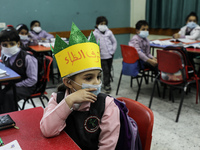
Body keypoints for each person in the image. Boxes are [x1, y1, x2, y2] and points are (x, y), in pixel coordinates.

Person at [40, 23, 121, 150]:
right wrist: (69, 101)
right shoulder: (57, 98)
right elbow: (47, 130)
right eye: (89, 78)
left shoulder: (107, 105)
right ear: (68, 82)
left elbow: (107, 146)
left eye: (98, 76)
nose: (96, 82)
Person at [0, 27, 38, 113]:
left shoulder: (27, 57)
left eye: (11, 44)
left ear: (18, 43)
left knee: (9, 96)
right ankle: (2, 118)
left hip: (27, 86)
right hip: (13, 83)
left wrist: (16, 85)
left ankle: (11, 119)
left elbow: (32, 79)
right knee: (1, 94)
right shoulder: (5, 55)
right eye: (4, 45)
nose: (8, 47)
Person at [93, 16, 117, 93]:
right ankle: (106, 85)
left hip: (109, 55)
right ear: (97, 25)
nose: (103, 25)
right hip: (101, 56)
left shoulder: (109, 32)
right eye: (101, 24)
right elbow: (91, 44)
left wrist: (112, 51)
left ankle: (106, 83)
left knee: (108, 70)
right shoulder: (94, 33)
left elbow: (114, 42)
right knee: (105, 71)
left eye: (104, 24)